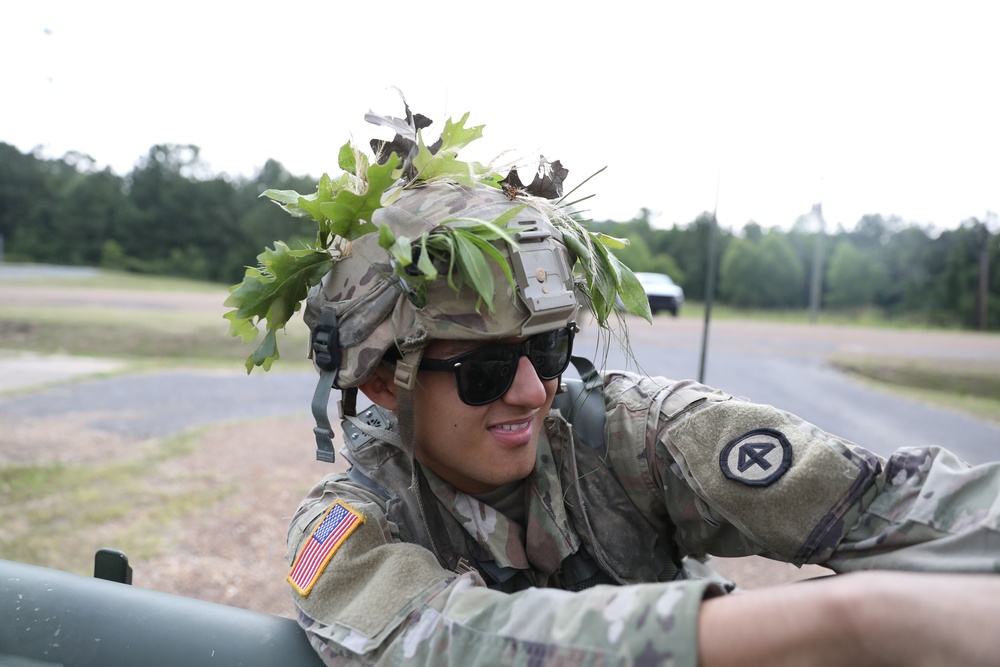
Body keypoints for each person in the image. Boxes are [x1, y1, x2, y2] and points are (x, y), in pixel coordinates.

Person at [226, 93, 1000, 667]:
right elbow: (448, 645)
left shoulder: (634, 435)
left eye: (552, 348)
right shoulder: (349, 531)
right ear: (387, 385)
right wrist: (846, 621)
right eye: (486, 369)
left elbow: (896, 506)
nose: (533, 391)